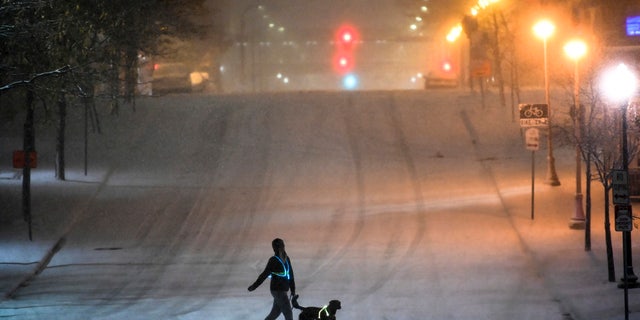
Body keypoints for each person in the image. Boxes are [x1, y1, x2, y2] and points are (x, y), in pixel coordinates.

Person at [248, 238, 296, 320]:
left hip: (282, 291)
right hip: (278, 291)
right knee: (288, 314)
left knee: (275, 314)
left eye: (282, 245)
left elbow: (290, 275)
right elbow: (264, 275)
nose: (282, 247)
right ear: (275, 248)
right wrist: (254, 286)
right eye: (280, 246)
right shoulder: (273, 260)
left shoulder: (286, 259)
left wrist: (293, 290)